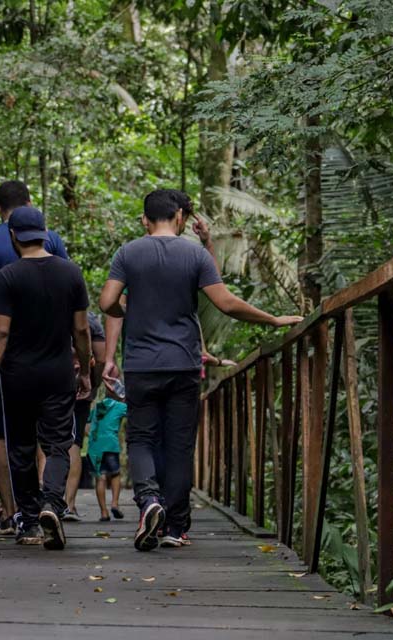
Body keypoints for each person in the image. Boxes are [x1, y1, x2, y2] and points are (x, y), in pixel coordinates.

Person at [99, 189, 302, 551]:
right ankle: (176, 527)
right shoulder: (195, 253)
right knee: (179, 446)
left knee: (142, 438)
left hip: (143, 366)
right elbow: (223, 301)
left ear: (146, 220)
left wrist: (129, 312)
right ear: (179, 217)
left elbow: (107, 302)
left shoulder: (128, 253)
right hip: (185, 365)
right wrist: (272, 319)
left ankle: (148, 500)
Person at [0, 206, 92, 549]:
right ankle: (52, 503)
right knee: (58, 443)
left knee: (21, 447)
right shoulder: (71, 273)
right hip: (58, 374)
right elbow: (82, 329)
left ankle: (27, 521)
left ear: (13, 236)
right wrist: (84, 370)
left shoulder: (7, 277)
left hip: (16, 377)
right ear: (44, 233)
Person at [0, 180, 69, 536]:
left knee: (4, 433)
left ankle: (13, 512)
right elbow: (68, 293)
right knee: (46, 435)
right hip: (51, 350)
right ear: (30, 204)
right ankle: (44, 507)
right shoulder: (49, 239)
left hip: (5, 354)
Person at [62, 312, 107, 520]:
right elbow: (101, 358)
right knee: (74, 442)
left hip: (49, 382)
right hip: (82, 387)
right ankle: (68, 505)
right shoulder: (91, 321)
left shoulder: (47, 309)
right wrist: (92, 385)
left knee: (44, 439)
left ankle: (47, 501)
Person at [87, 391, 127, 521]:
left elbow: (87, 427)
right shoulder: (119, 406)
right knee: (115, 473)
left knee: (101, 478)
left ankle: (104, 513)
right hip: (110, 445)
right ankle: (115, 504)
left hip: (95, 447)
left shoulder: (97, 407)